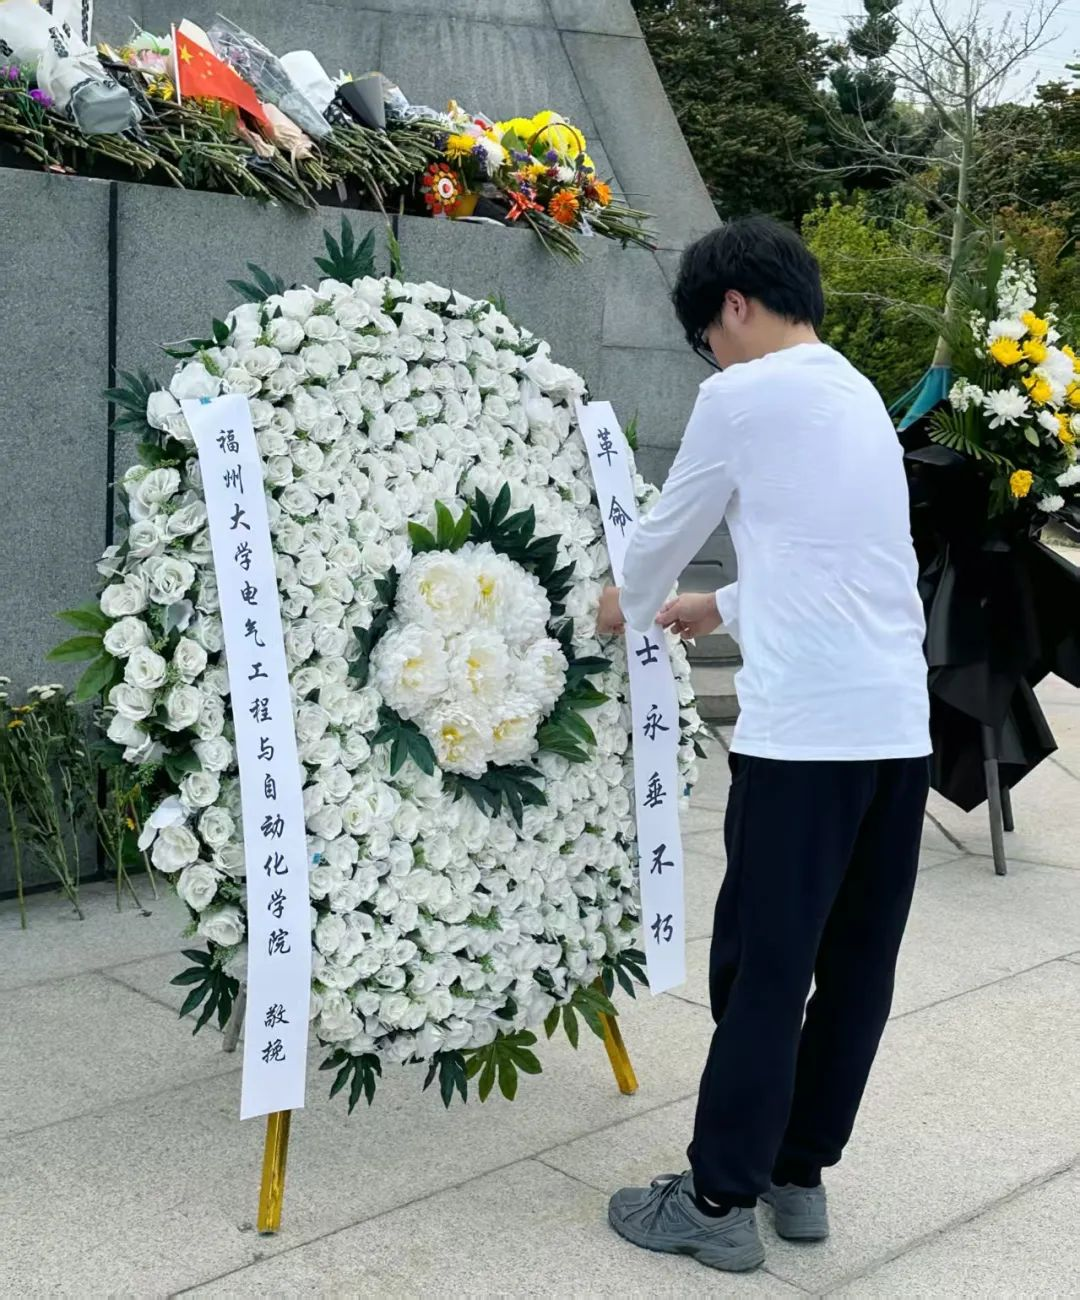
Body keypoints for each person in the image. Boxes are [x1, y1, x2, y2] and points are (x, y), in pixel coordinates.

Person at [596, 215, 931, 1274]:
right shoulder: (857, 392)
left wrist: (612, 604)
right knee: (857, 964)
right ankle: (798, 1170)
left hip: (806, 742)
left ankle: (715, 1198)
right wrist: (725, 603)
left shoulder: (740, 397)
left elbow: (664, 531)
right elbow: (848, 554)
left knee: (764, 967)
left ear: (733, 305)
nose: (715, 359)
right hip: (896, 729)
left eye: (710, 339)